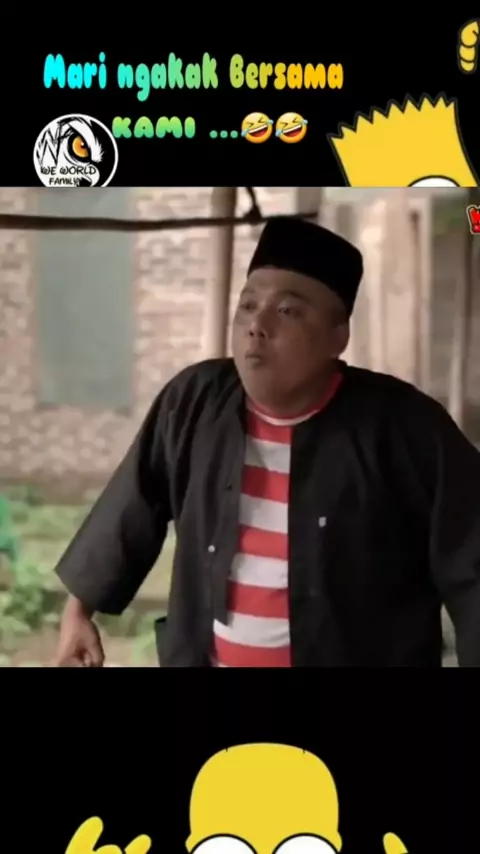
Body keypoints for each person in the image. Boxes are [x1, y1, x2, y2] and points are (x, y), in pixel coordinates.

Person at [54, 217, 480, 668]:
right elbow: (131, 506)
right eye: (248, 305)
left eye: (288, 311)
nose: (257, 324)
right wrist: (78, 611)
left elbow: (473, 559)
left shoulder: (404, 427)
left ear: (338, 336)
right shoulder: (194, 401)